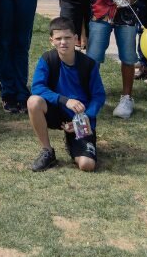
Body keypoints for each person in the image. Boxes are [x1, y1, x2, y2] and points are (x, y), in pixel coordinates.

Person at [26, 17, 104, 172]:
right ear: (51, 41)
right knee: (33, 101)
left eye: (68, 38)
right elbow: (37, 88)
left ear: (75, 39)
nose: (63, 42)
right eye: (58, 38)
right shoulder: (47, 60)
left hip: (81, 118)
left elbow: (99, 96)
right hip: (56, 111)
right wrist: (64, 100)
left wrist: (86, 117)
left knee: (87, 165)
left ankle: (72, 142)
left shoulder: (88, 64)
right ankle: (47, 151)